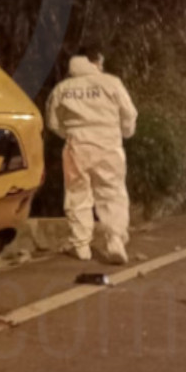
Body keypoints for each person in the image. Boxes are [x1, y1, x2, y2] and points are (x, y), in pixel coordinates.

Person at [45, 46, 138, 264]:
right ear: (95, 61)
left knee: (77, 194)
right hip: (108, 145)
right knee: (111, 192)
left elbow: (53, 122)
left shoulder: (62, 88)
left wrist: (70, 133)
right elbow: (128, 113)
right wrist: (125, 132)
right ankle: (115, 240)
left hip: (76, 146)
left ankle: (81, 246)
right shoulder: (111, 83)